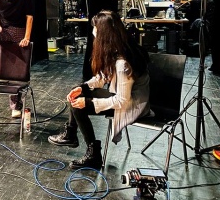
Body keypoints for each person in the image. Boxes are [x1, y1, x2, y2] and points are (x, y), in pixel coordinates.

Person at [48, 10, 150, 169]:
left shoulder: (123, 63)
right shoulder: (120, 47)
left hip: (133, 105)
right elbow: (103, 76)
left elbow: (122, 101)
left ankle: (93, 155)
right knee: (78, 93)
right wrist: (82, 87)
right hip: (124, 97)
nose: (93, 32)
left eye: (95, 28)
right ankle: (71, 133)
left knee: (79, 105)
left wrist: (89, 102)